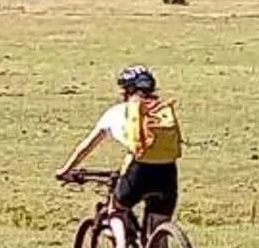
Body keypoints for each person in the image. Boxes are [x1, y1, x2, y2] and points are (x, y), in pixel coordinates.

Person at [55, 65, 182, 238]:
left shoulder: (117, 112)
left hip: (139, 171)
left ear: (127, 90)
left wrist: (65, 170)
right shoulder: (161, 112)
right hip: (168, 171)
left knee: (116, 209)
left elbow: (86, 147)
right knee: (157, 232)